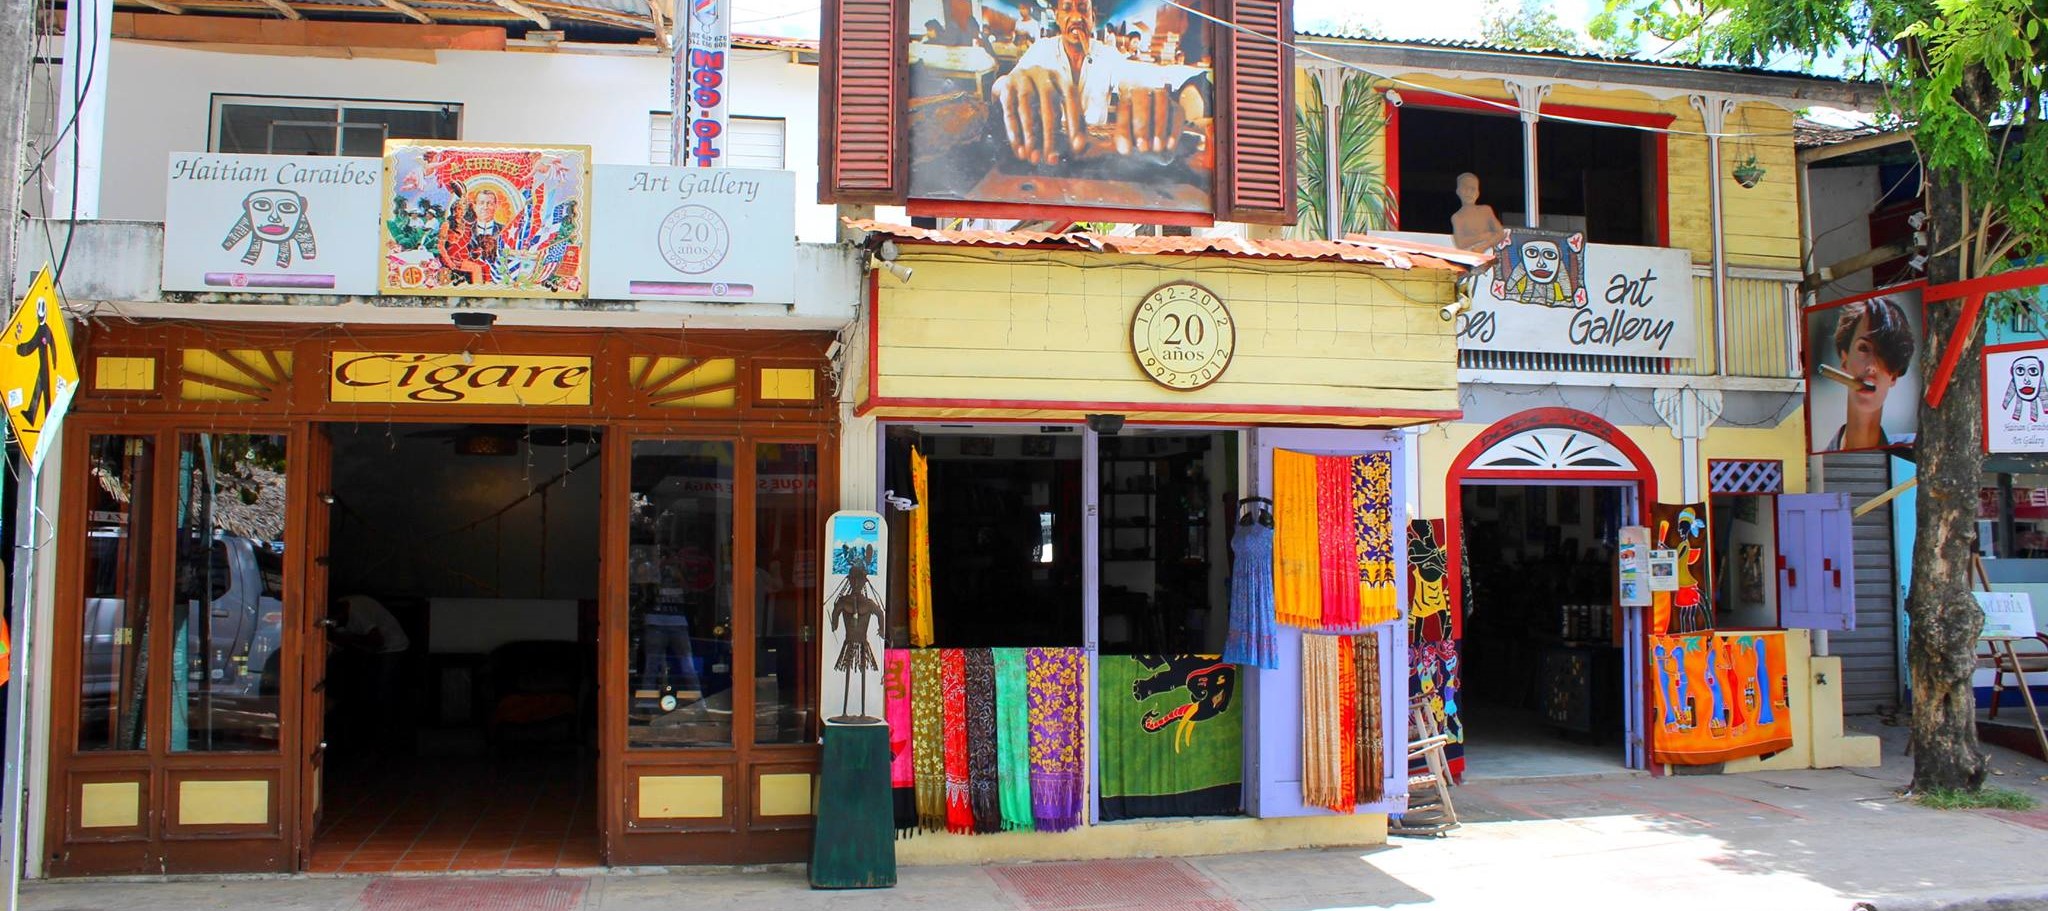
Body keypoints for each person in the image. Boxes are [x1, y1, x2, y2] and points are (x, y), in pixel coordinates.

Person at [991, 0, 1207, 164]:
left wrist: (1140, 96)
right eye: (1067, 9)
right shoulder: (1041, 50)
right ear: (1057, 17)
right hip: (1048, 153)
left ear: (1092, 18)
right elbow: (1001, 87)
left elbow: (1130, 79)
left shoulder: (1107, 54)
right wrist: (1010, 86)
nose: (1076, 17)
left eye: (1082, 9)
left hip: (1092, 155)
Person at [1825, 296, 1915, 450]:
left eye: (1883, 354)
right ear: (1845, 360)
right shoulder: (1817, 457)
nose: (1872, 366)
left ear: (1893, 376)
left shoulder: (1915, 451)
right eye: (1864, 348)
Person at [328, 594, 410, 756]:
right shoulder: (339, 614)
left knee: (382, 691)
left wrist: (350, 639)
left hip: (392, 646)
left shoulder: (359, 614)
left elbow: (377, 641)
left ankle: (384, 735)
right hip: (371, 648)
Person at [1450, 172, 1506, 253]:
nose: (1468, 192)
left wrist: (1484, 246)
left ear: (1477, 193)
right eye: (1465, 188)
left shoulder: (1486, 210)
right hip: (1468, 256)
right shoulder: (1457, 217)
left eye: (1472, 189)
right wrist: (1483, 236)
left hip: (1488, 254)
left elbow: (1500, 233)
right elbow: (1460, 243)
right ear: (1458, 191)